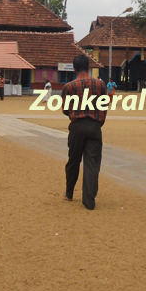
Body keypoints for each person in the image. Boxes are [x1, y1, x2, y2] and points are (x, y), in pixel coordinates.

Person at [61, 55, 107, 210]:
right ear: (89, 67)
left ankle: (69, 192)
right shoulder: (100, 85)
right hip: (94, 127)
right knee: (92, 163)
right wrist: (98, 121)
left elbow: (66, 110)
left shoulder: (68, 87)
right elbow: (104, 105)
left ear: (74, 68)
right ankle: (89, 200)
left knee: (73, 160)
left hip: (77, 126)